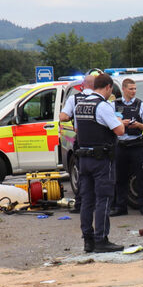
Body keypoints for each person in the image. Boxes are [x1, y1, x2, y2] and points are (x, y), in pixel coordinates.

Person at [74, 72, 125, 253]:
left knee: (87, 200)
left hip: (84, 159)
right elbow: (119, 130)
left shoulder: (80, 104)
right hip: (101, 159)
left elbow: (77, 129)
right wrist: (120, 120)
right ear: (108, 87)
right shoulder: (102, 106)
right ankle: (101, 239)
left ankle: (88, 240)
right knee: (103, 199)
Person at [111, 78, 143, 217]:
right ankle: (120, 206)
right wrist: (122, 123)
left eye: (135, 89)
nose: (134, 91)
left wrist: (138, 125)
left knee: (141, 177)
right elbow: (110, 123)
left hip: (136, 145)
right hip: (121, 145)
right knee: (119, 178)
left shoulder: (141, 105)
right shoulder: (114, 105)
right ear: (124, 89)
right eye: (131, 89)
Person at [59, 73, 99, 213]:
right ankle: (101, 204)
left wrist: (73, 116)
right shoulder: (102, 100)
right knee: (101, 175)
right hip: (99, 142)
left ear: (83, 85)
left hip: (81, 140)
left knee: (83, 175)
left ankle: (81, 205)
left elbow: (63, 117)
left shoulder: (74, 99)